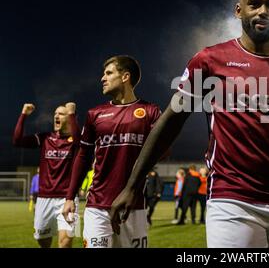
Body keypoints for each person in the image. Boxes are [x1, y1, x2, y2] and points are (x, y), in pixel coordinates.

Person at [111, 0, 269, 248]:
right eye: (254, 4)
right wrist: (133, 184)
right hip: (231, 197)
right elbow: (171, 121)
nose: (262, 11)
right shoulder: (210, 60)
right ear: (238, 10)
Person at [62, 55, 162, 248]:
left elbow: (162, 151)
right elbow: (83, 156)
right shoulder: (95, 114)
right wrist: (69, 197)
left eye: (109, 73)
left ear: (125, 76)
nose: (102, 78)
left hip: (133, 206)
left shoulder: (150, 112)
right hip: (97, 206)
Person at [13, 102, 80, 248]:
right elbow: (17, 141)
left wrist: (72, 113)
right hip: (44, 199)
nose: (56, 116)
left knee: (65, 242)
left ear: (69, 118)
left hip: (67, 198)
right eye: (55, 113)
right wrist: (23, 114)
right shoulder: (45, 138)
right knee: (43, 241)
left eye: (61, 114)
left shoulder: (75, 139)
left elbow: (79, 141)